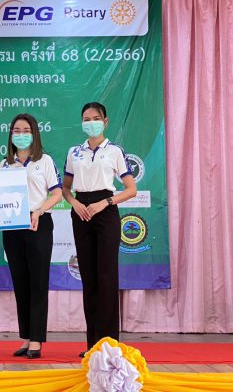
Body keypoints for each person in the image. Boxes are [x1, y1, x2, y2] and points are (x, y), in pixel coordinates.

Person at [62, 102, 137, 357]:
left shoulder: (114, 151)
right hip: (81, 212)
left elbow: (131, 189)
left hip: (105, 211)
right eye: (86, 118)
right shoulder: (74, 152)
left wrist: (105, 203)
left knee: (107, 277)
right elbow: (66, 188)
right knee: (89, 278)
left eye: (96, 118)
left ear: (105, 122)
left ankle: (108, 345)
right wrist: (75, 204)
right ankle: (92, 345)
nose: (90, 122)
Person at [1, 114, 62, 359]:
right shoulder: (4, 164)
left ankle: (37, 339)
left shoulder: (44, 161)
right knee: (20, 282)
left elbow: (57, 193)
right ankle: (26, 337)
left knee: (38, 282)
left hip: (39, 223)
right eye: (16, 130)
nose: (21, 134)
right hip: (12, 226)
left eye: (26, 130)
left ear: (34, 133)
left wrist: (39, 211)